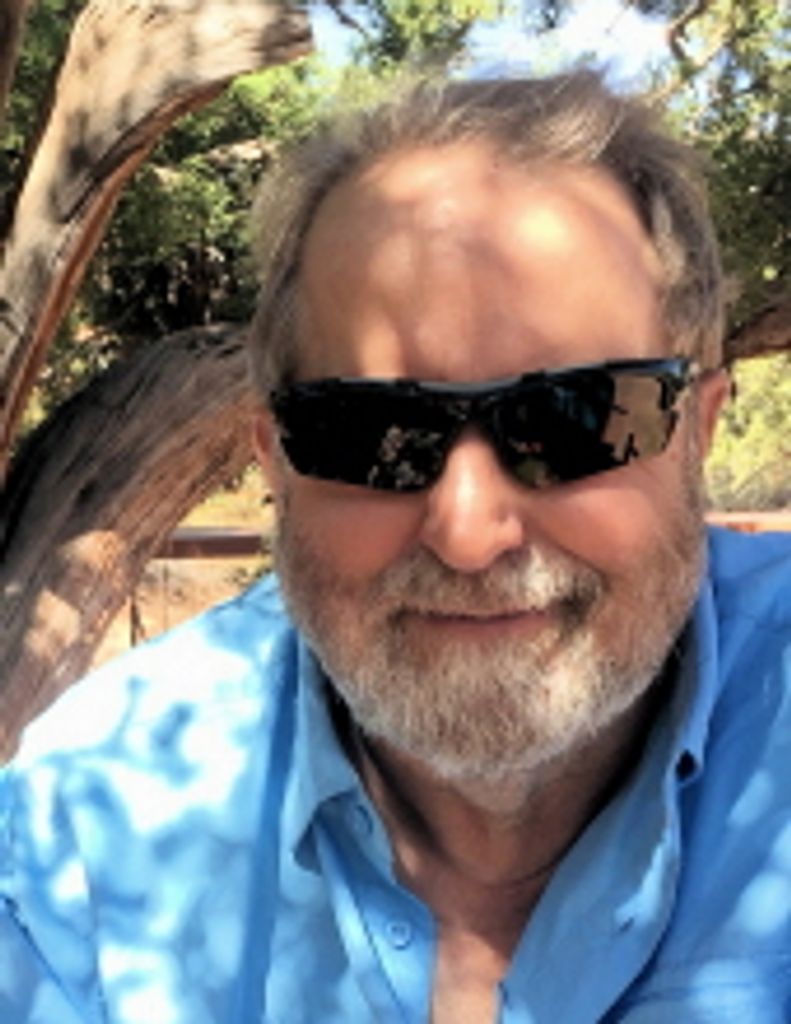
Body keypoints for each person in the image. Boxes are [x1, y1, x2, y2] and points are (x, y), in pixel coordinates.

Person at [1, 71, 789, 1024]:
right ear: (275, 460)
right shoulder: (89, 833)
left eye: (576, 419)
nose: (467, 534)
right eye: (371, 434)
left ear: (698, 430)